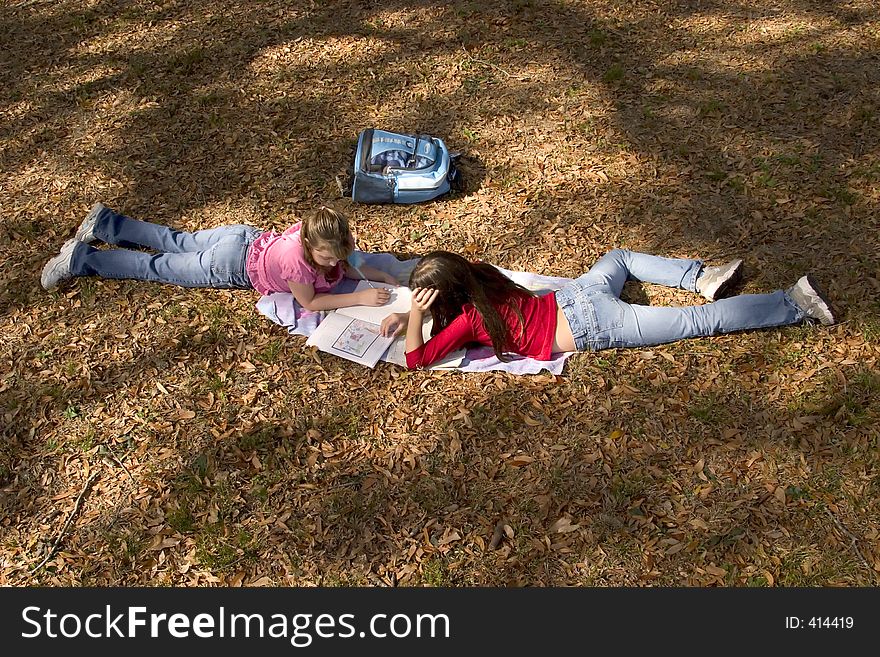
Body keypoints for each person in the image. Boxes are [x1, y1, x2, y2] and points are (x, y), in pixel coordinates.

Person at [381, 249, 836, 370]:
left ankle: (792, 304)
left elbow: (418, 359)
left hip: (594, 324)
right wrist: (410, 314)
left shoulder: (469, 320)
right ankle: (699, 277)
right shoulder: (482, 277)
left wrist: (417, 319)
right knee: (618, 257)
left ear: (445, 299)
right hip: (577, 295)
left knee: (698, 323)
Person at [41, 203, 398, 310]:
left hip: (240, 236)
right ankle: (79, 258)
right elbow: (311, 303)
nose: (336, 263)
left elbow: (349, 262)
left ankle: (104, 222)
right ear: (310, 245)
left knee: (173, 239)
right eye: (329, 259)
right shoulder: (297, 262)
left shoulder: (325, 234)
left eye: (339, 256)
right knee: (156, 267)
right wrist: (361, 297)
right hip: (228, 265)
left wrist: (377, 275)